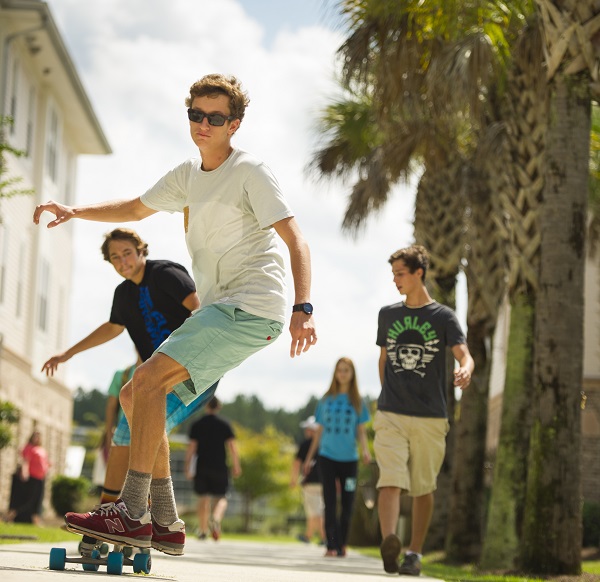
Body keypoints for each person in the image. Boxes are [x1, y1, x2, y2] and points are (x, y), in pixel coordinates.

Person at [33, 73, 317, 556]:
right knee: (133, 396)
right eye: (196, 115)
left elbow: (296, 238)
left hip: (250, 306)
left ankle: (131, 511)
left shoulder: (251, 171)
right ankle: (165, 520)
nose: (203, 124)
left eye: (216, 117)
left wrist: (303, 308)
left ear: (235, 124)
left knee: (144, 383)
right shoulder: (187, 175)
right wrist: (75, 211)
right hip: (228, 311)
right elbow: (136, 208)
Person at [40, 227, 217, 556]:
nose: (122, 261)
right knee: (128, 432)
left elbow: (200, 311)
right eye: (115, 257)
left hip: (192, 369)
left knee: (133, 427)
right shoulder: (123, 295)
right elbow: (112, 327)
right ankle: (125, 517)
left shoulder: (165, 274)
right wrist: (69, 354)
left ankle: (136, 516)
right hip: (158, 378)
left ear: (140, 249)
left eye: (127, 252)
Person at [375, 244, 474, 576]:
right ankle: (390, 541)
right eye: (393, 275)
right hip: (391, 411)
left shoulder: (443, 317)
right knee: (389, 479)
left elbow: (463, 353)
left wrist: (467, 368)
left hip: (431, 416)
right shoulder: (388, 315)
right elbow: (384, 358)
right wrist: (386, 393)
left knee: (422, 487)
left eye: (400, 274)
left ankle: (414, 552)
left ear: (419, 273)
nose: (396, 280)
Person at [303, 357, 371, 557]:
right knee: (330, 501)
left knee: (348, 502)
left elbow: (361, 430)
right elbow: (319, 431)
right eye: (340, 370)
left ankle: (342, 544)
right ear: (335, 373)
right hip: (327, 458)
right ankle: (331, 545)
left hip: (350, 460)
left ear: (352, 374)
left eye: (346, 370)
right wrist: (309, 458)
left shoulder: (358, 401)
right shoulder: (326, 400)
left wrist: (365, 451)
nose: (343, 373)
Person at [185, 396, 240, 541]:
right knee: (221, 498)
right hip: (220, 466)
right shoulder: (225, 424)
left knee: (203, 498)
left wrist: (187, 467)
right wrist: (236, 466)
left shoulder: (197, 424)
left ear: (206, 406)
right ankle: (215, 518)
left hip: (201, 466)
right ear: (218, 407)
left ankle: (203, 531)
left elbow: (191, 448)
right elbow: (232, 448)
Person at [290, 415, 325, 545]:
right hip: (324, 482)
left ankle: (324, 536)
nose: (306, 431)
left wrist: (293, 479)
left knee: (315, 510)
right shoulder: (325, 444)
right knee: (316, 509)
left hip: (310, 482)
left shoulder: (305, 445)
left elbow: (296, 463)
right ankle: (309, 535)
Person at [14, 431, 50, 525]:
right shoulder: (29, 447)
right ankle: (12, 515)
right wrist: (24, 472)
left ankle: (36, 520)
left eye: (38, 437)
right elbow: (26, 461)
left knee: (38, 500)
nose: (37, 439)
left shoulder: (41, 449)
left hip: (40, 478)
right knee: (28, 499)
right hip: (32, 477)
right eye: (35, 437)